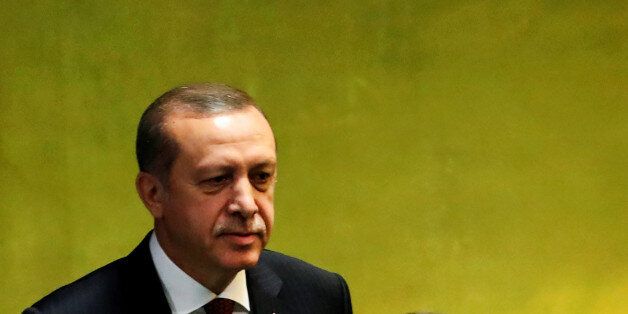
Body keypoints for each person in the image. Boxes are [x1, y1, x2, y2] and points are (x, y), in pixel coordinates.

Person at [24, 84, 352, 314]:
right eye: (217, 180)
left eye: (261, 177)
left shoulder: (320, 296)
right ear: (153, 194)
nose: (248, 204)